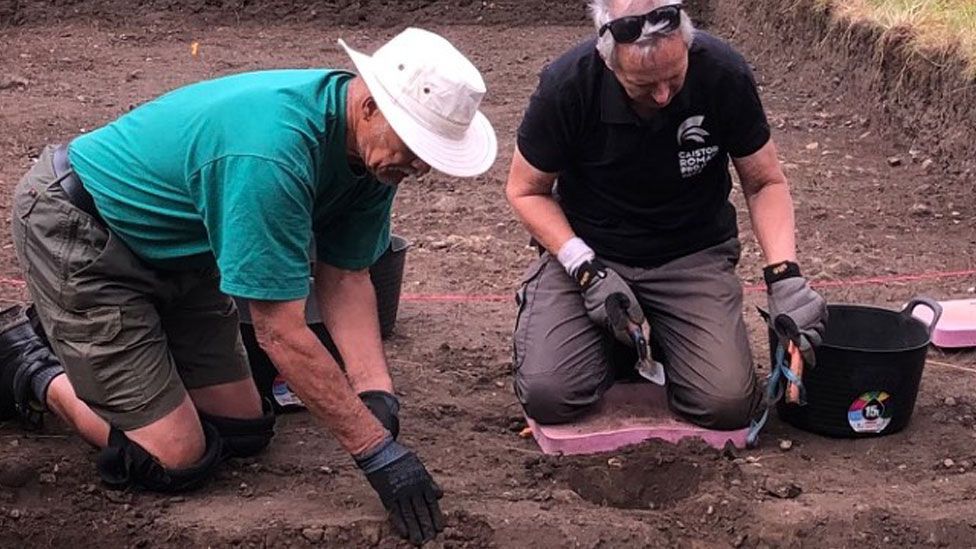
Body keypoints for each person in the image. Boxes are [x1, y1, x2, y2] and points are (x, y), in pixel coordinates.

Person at [1, 27, 496, 545]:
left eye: (430, 154)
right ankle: (26, 360)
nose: (418, 166)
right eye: (414, 146)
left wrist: (376, 393)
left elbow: (346, 275)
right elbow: (280, 332)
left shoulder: (373, 159)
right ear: (370, 106)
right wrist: (376, 452)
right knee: (176, 458)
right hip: (83, 233)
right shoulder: (274, 154)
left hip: (183, 259)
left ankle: (114, 353)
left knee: (243, 433)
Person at [506, 0, 826, 430]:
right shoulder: (568, 85)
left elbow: (764, 181)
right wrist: (584, 269)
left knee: (726, 404)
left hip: (691, 254)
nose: (661, 95)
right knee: (550, 394)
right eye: (642, 85)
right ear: (608, 61)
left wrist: (785, 276)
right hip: (591, 251)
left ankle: (659, 333)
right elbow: (525, 190)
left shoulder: (722, 73)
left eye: (674, 78)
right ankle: (613, 343)